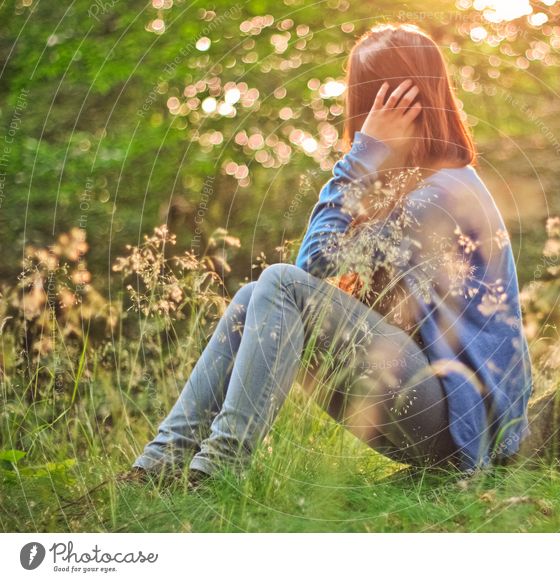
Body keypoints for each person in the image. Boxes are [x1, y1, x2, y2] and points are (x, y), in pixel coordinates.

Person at [127, 23, 533, 484]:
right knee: (251, 298)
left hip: (458, 428)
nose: (362, 123)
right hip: (435, 410)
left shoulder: (441, 196)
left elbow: (313, 265)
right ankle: (162, 462)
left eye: (368, 109)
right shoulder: (420, 186)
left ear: (399, 107)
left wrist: (363, 155)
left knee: (281, 284)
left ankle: (217, 469)